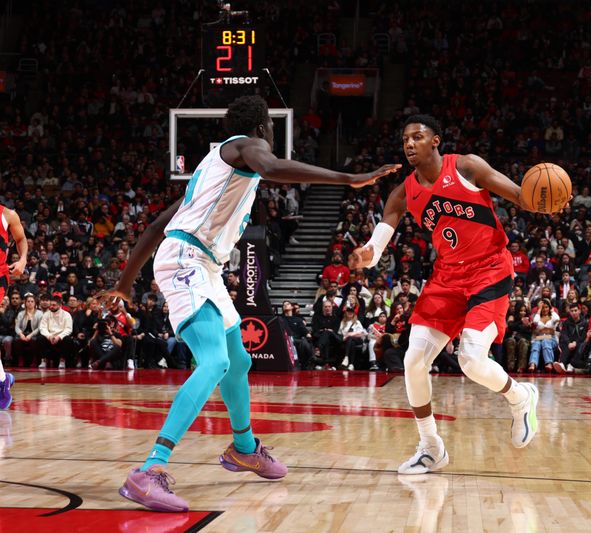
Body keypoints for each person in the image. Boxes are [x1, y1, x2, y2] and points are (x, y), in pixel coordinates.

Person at [100, 95, 399, 512]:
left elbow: (154, 226)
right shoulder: (245, 145)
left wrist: (125, 286)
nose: (271, 139)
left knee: (238, 360)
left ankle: (244, 448)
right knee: (214, 362)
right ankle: (149, 471)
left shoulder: (211, 173)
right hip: (188, 259)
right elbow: (273, 167)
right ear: (262, 127)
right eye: (272, 130)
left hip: (204, 264)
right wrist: (348, 179)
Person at [350, 114, 567, 474]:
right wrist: (367, 253)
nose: (409, 144)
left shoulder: (466, 167)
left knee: (470, 360)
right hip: (447, 278)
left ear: (435, 141)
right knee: (413, 360)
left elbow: (518, 195)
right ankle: (431, 446)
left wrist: (546, 201)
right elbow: (379, 241)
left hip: (489, 270)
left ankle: (520, 396)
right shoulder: (403, 192)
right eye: (405, 139)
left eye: (417, 137)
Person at [0, 205, 27, 410]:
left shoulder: (7, 214)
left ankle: (2, 383)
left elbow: (20, 240)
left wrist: (23, 259)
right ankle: (3, 380)